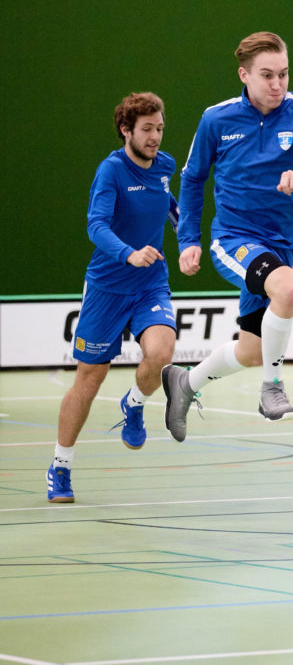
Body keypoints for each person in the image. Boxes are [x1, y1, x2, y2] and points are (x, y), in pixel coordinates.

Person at [162, 32, 293, 440]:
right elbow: (193, 178)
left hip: (281, 245)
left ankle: (185, 382)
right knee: (288, 289)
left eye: (283, 74)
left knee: (251, 351)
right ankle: (272, 389)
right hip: (234, 239)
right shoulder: (216, 119)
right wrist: (188, 240)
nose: (277, 84)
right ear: (244, 75)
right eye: (267, 75)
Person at [47, 93, 178, 502]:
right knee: (89, 379)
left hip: (150, 283)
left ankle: (134, 404)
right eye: (147, 129)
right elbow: (96, 226)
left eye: (159, 128)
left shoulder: (165, 166)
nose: (155, 137)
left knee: (161, 352)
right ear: (126, 130)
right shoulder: (111, 171)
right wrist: (129, 253)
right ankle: (60, 466)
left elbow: (168, 203)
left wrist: (186, 230)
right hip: (107, 287)